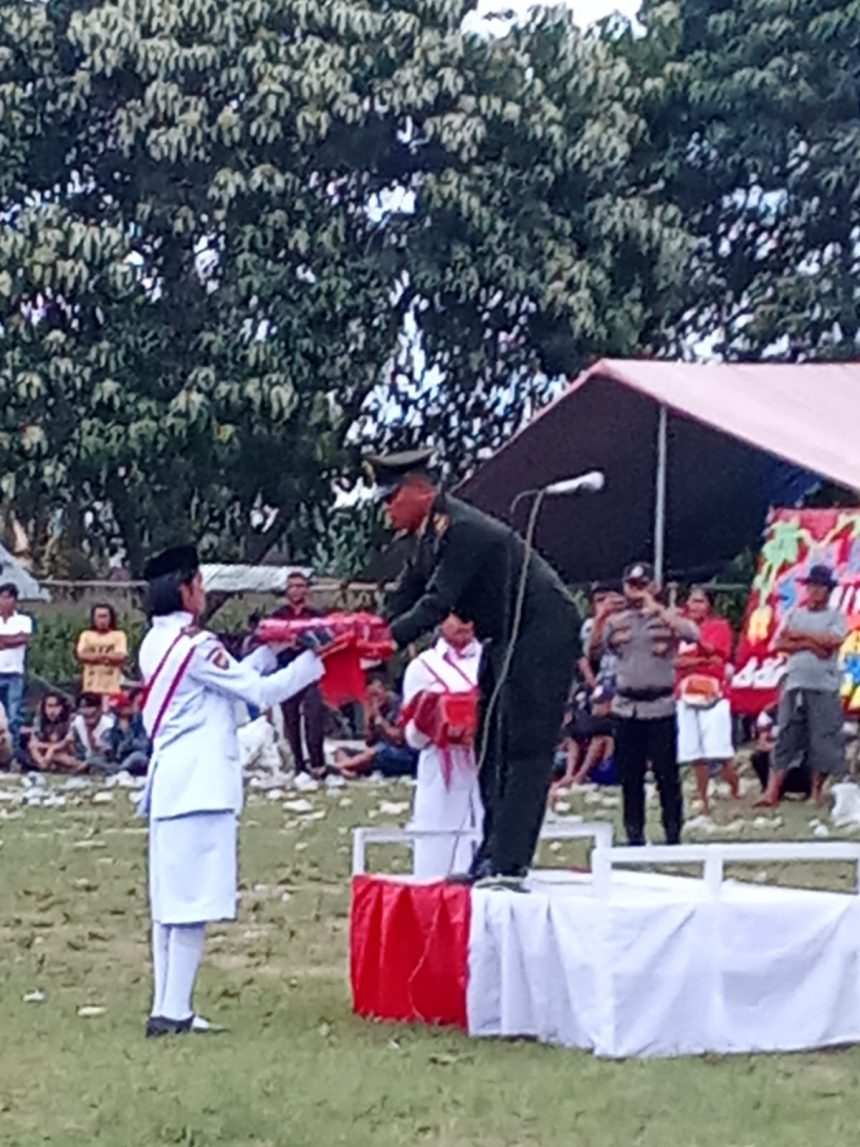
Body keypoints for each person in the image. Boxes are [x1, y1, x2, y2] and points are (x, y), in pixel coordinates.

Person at [365, 449, 580, 890]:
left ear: (420, 490)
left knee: (523, 748)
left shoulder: (461, 529)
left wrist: (383, 645)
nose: (386, 509)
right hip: (504, 635)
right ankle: (490, 855)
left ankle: (509, 861)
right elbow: (403, 598)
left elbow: (437, 602)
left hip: (541, 629)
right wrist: (363, 639)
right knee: (490, 744)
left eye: (391, 498)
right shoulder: (426, 538)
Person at [138, 544, 328, 1038]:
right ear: (185, 589)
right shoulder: (195, 646)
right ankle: (173, 1011)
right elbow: (258, 693)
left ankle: (169, 1004)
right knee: (192, 904)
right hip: (201, 784)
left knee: (171, 904)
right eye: (199, 583)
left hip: (171, 783)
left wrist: (270, 650)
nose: (203, 591)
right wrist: (314, 659)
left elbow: (231, 682)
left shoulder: (157, 643)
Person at [597, 561, 697, 846]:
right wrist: (603, 615)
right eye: (632, 585)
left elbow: (692, 634)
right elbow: (594, 649)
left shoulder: (668, 616)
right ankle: (634, 833)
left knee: (667, 774)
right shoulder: (618, 622)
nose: (637, 591)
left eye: (643, 585)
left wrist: (658, 610)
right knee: (630, 776)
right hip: (626, 706)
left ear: (654, 586)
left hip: (660, 705)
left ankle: (673, 833)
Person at [757, 565, 847, 807]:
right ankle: (771, 792)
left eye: (820, 587)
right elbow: (780, 643)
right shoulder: (795, 614)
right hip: (795, 684)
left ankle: (816, 792)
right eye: (812, 586)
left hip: (824, 686)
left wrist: (802, 637)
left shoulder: (836, 616)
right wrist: (811, 643)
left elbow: (832, 643)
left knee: (822, 739)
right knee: (786, 735)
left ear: (828, 590)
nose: (815, 591)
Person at [401, 614, 483, 878]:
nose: (463, 623)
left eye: (468, 615)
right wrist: (427, 722)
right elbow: (412, 738)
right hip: (441, 766)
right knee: (438, 847)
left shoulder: (493, 658)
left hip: (484, 763)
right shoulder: (422, 666)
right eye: (454, 617)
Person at [675, 586, 740, 816]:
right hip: (685, 695)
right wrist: (699, 659)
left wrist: (696, 651)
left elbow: (718, 657)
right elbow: (675, 661)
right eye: (692, 601)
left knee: (720, 752)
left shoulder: (719, 627)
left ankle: (735, 793)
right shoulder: (678, 628)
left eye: (700, 601)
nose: (694, 606)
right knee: (696, 755)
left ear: (709, 605)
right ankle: (704, 800)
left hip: (714, 695)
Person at [271, 572, 326, 777]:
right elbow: (271, 641)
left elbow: (325, 639)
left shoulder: (316, 615)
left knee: (314, 717)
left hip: (311, 672)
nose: (296, 590)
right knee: (290, 720)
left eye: (300, 586)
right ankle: (298, 765)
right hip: (286, 671)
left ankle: (318, 764)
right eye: (292, 586)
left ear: (307, 589)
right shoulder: (278, 616)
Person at [332, 674, 418, 778]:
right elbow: (369, 742)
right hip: (379, 754)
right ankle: (350, 769)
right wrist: (369, 720)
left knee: (378, 750)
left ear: (385, 689)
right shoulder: (373, 707)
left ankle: (339, 767)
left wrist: (380, 720)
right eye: (370, 696)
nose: (374, 699)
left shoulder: (399, 706)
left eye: (376, 694)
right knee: (341, 751)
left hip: (404, 755)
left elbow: (398, 739)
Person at [0, 582, 34, 751]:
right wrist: (11, 640)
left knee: (14, 716)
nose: (4, 601)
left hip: (14, 674)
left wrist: (4, 640)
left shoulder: (23, 620)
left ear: (15, 600)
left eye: (8, 597)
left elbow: (23, 639)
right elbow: (14, 640)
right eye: (2, 597)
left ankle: (15, 753)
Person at [75, 604, 128, 699]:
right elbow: (81, 655)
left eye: (105, 616)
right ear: (94, 618)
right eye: (99, 616)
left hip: (112, 688)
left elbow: (120, 656)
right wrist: (108, 656)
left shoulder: (119, 635)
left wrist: (94, 657)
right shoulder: (86, 635)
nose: (102, 620)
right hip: (90, 688)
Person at [27, 691, 81, 773]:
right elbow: (33, 743)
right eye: (49, 706)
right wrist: (47, 751)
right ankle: (43, 765)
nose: (52, 710)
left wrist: (52, 749)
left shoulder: (71, 719)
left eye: (56, 706)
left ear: (62, 707)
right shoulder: (39, 720)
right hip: (46, 753)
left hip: (68, 753)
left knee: (59, 754)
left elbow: (67, 742)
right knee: (31, 748)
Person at [107, 690, 150, 776]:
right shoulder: (116, 722)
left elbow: (144, 746)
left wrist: (126, 734)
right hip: (120, 759)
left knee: (137, 757)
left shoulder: (139, 721)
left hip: (137, 756)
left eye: (120, 708)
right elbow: (112, 743)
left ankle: (120, 771)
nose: (117, 711)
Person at [72, 692, 116, 773]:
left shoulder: (109, 725)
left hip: (104, 761)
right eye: (83, 707)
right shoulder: (78, 722)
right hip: (82, 758)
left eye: (90, 706)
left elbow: (110, 752)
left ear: (99, 709)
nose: (87, 711)